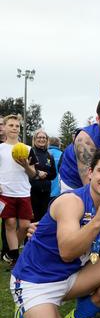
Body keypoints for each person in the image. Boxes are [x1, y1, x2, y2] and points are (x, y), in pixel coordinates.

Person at [10, 148, 100, 318]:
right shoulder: (71, 201)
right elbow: (67, 252)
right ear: (90, 172)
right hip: (36, 282)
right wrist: (98, 221)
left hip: (70, 277)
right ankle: (25, 315)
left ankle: (80, 317)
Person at [0, 114, 37, 267]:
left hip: (23, 192)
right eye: (11, 125)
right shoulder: (0, 149)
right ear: (4, 127)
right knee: (10, 223)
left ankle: (10, 252)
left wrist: (26, 166)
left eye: (17, 126)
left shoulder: (28, 149)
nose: (14, 128)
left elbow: (33, 174)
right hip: (5, 193)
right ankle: (15, 257)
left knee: (24, 225)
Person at [29, 129, 57, 221]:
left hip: (46, 192)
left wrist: (45, 174)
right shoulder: (30, 152)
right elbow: (26, 171)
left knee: (43, 218)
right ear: (35, 139)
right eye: (39, 137)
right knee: (32, 218)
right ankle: (30, 236)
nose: (42, 139)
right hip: (32, 191)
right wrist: (37, 173)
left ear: (47, 140)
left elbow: (53, 174)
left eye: (44, 137)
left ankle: (41, 235)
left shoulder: (49, 155)